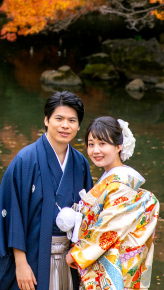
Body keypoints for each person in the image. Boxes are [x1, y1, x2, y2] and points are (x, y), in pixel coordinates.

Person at [0, 91, 94, 290]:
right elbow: (13, 214)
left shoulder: (80, 163)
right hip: (33, 258)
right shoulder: (25, 160)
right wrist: (20, 264)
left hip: (70, 259)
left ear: (78, 126)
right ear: (46, 120)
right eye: (59, 118)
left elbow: (89, 214)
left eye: (72, 120)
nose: (65, 125)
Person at [65, 116, 159, 290]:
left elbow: (108, 229)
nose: (95, 150)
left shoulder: (121, 185)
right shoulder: (111, 180)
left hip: (112, 267)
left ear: (118, 146)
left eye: (102, 144)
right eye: (91, 144)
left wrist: (78, 254)